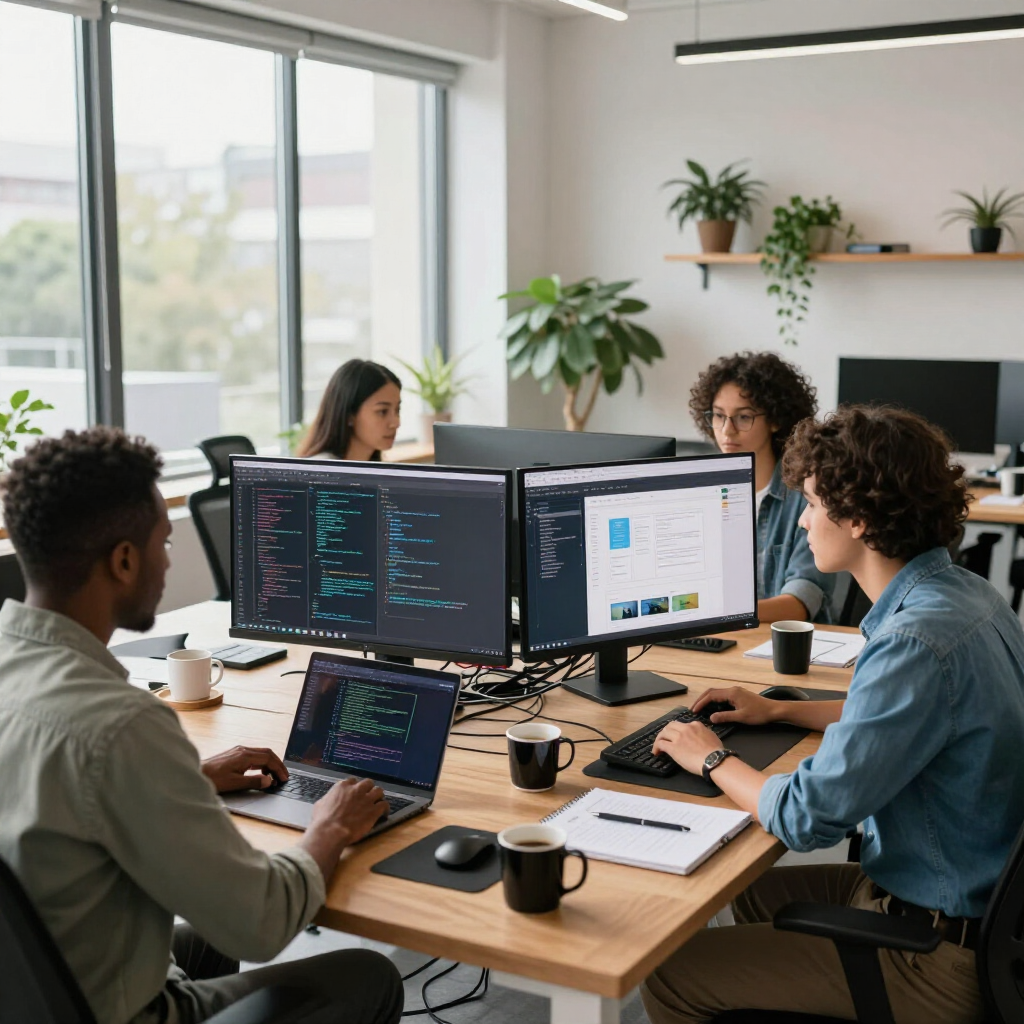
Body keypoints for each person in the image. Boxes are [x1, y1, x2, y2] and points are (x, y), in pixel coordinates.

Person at [0, 427, 403, 1024]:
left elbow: (56, 793)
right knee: (369, 975)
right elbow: (261, 923)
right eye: (164, 543)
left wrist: (192, 779)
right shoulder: (123, 725)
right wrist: (329, 827)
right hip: (126, 1011)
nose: (167, 561)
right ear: (124, 559)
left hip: (46, 988)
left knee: (205, 936)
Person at [641, 405, 1024, 1024]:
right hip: (972, 909)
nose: (805, 519)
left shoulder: (913, 643)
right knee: (751, 895)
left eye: (815, 503)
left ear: (860, 519)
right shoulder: (966, 595)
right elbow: (917, 717)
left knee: (670, 974)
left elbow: (804, 818)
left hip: (938, 955)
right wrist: (777, 712)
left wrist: (709, 757)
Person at [689, 351, 834, 623]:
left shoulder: (807, 498)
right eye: (719, 416)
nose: (727, 431)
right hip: (718, 640)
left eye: (743, 417)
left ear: (775, 420)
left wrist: (718, 613)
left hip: (780, 648)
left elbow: (802, 601)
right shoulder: (699, 493)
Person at [298, 359, 402, 461]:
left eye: (397, 410)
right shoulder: (322, 472)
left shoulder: (378, 471)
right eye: (382, 411)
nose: (396, 423)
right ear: (349, 414)